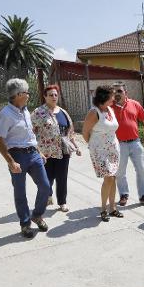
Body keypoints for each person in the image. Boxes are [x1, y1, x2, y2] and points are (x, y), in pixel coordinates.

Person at [0, 78, 50, 238]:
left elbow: (30, 133)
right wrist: (10, 161)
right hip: (17, 155)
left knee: (45, 187)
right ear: (18, 95)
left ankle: (37, 215)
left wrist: (38, 151)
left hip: (33, 153)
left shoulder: (25, 110)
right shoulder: (5, 114)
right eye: (26, 92)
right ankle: (25, 224)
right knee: (20, 192)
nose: (29, 95)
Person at [31, 84, 81, 213]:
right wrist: (36, 149)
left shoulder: (63, 112)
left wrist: (76, 146)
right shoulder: (38, 112)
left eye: (55, 95)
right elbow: (31, 132)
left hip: (63, 150)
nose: (54, 97)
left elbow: (70, 131)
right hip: (46, 152)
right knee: (47, 178)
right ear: (45, 97)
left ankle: (62, 202)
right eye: (50, 95)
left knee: (62, 177)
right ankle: (47, 196)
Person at [82, 85, 124, 222]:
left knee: (113, 178)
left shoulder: (110, 109)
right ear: (104, 97)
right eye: (112, 95)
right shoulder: (94, 112)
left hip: (113, 149)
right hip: (99, 151)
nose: (114, 97)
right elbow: (85, 133)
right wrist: (94, 146)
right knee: (109, 178)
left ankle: (113, 208)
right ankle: (103, 209)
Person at [110, 81, 144, 207]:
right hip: (119, 145)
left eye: (119, 91)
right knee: (120, 172)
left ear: (125, 93)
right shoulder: (109, 107)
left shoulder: (135, 104)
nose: (116, 94)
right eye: (114, 92)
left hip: (135, 143)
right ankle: (124, 195)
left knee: (141, 170)